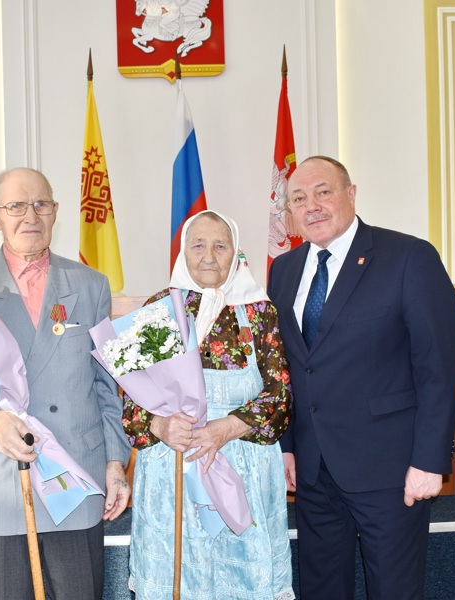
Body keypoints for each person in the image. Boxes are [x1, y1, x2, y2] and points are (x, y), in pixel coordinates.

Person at [0, 167, 131, 600]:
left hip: (75, 478)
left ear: (55, 212)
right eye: (16, 206)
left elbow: (106, 384)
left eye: (41, 204)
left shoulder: (91, 286)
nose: (30, 216)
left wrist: (115, 462)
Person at [267, 156, 455, 599]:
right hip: (314, 469)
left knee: (393, 589)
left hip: (390, 467)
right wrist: (287, 447)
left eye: (323, 192)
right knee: (321, 588)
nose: (311, 205)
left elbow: (439, 368)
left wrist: (431, 460)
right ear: (290, 212)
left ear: (350, 194)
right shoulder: (284, 270)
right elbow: (288, 368)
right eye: (299, 198)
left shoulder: (409, 258)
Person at [123, 210, 295, 600]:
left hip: (243, 464)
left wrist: (225, 429)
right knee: (179, 579)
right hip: (174, 468)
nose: (209, 255)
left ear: (236, 252)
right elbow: (131, 405)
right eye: (197, 245)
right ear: (183, 251)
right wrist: (161, 426)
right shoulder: (158, 309)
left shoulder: (259, 311)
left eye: (220, 245)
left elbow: (281, 397)